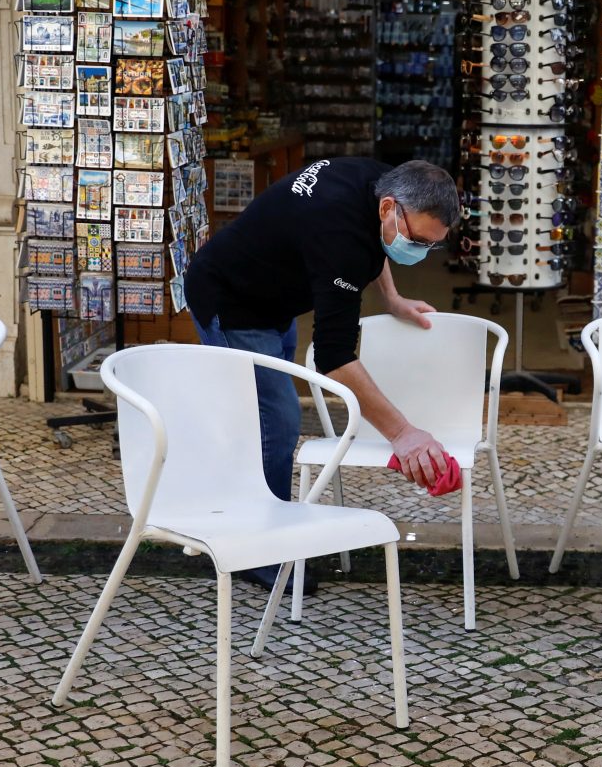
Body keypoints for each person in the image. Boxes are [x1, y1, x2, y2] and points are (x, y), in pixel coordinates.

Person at [182, 157, 459, 536]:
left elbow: (378, 242)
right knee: (275, 424)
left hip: (275, 297)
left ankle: (256, 516)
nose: (421, 252)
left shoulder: (378, 180)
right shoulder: (339, 238)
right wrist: (402, 434)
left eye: (432, 245)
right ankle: (256, 540)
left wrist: (392, 298)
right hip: (230, 301)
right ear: (388, 207)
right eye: (418, 242)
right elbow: (334, 357)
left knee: (263, 416)